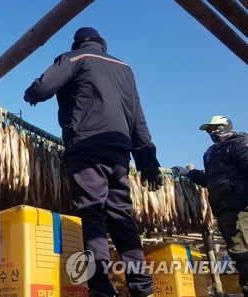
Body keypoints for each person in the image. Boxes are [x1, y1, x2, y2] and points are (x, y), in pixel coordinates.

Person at [24, 27, 162, 297]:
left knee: (92, 214)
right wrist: (148, 162)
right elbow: (138, 119)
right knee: (122, 217)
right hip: (120, 150)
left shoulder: (75, 59)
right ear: (102, 44)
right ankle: (143, 289)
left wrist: (30, 94)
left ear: (78, 44)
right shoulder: (125, 69)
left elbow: (44, 87)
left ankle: (101, 288)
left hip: (86, 146)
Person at [172, 116, 248, 295]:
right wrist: (190, 173)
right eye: (208, 130)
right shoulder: (212, 152)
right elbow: (210, 180)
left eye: (214, 128)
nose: (211, 132)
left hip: (241, 209)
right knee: (237, 253)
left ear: (225, 126)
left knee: (243, 252)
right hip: (225, 210)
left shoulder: (238, 144)